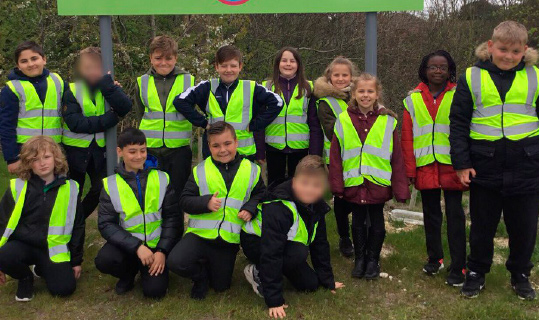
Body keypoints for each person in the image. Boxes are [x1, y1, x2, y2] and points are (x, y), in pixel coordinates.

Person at [450, 21, 539, 300]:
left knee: (524, 227)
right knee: (482, 226)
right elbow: (459, 123)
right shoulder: (471, 76)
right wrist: (461, 164)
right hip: (484, 165)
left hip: (527, 165)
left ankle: (520, 274)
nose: (508, 56)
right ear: (490, 47)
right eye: (502, 49)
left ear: (524, 50)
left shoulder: (536, 76)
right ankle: (476, 272)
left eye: (515, 51)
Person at [167, 121, 265, 300]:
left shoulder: (252, 170)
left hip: (228, 239)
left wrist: (250, 208)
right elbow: (184, 200)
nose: (223, 150)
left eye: (227, 144)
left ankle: (209, 265)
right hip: (199, 235)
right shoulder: (200, 170)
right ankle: (200, 276)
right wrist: (205, 203)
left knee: (221, 286)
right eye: (216, 145)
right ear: (209, 147)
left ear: (236, 142)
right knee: (175, 262)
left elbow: (261, 195)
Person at [242, 155, 344, 319]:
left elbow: (320, 245)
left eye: (316, 185)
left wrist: (327, 281)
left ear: (324, 187)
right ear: (294, 181)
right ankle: (257, 272)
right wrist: (274, 299)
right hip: (256, 243)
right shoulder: (280, 206)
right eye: (304, 183)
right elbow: (271, 252)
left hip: (285, 245)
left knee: (310, 285)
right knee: (298, 252)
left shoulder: (317, 206)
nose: (309, 190)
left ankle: (284, 269)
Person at [329, 74, 410, 279]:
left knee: (376, 222)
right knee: (357, 221)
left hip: (377, 182)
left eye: (370, 91)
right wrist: (337, 185)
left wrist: (400, 188)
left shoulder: (388, 120)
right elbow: (336, 155)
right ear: (354, 94)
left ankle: (373, 260)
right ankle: (360, 260)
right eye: (361, 91)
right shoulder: (343, 119)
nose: (365, 95)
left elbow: (397, 157)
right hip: (354, 181)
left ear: (377, 94)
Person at [401, 50, 467, 286]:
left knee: (455, 215)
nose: (438, 71)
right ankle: (434, 258)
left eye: (443, 67)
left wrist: (466, 163)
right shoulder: (412, 99)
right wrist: (409, 170)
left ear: (450, 70)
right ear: (424, 69)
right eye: (433, 67)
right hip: (425, 165)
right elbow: (407, 138)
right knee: (431, 215)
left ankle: (459, 265)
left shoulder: (460, 94)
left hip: (453, 165)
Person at [95, 128, 182, 298]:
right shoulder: (110, 184)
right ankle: (128, 274)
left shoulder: (162, 178)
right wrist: (136, 247)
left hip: (156, 247)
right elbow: (106, 224)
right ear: (119, 152)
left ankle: (151, 270)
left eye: (143, 150)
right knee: (104, 260)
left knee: (155, 292)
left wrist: (162, 251)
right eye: (132, 152)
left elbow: (173, 218)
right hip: (129, 248)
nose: (139, 156)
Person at [0, 136, 84, 301]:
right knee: (2, 255)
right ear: (28, 163)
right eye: (35, 159)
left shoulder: (71, 188)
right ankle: (25, 278)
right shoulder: (17, 186)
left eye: (46, 157)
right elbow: (1, 222)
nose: (42, 163)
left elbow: (78, 226)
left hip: (52, 249)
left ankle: (41, 269)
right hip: (22, 244)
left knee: (64, 289)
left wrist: (76, 261)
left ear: (56, 158)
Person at [173, 45, 283, 161]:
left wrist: (256, 125)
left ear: (240, 67)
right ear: (216, 67)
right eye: (224, 66)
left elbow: (278, 102)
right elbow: (180, 101)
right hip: (215, 154)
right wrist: (203, 123)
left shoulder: (250, 87)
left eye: (233, 66)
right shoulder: (207, 86)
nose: (228, 70)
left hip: (243, 153)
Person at [63, 47, 132, 219]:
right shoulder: (71, 89)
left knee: (101, 188)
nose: (92, 71)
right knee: (72, 193)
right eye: (87, 67)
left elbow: (125, 107)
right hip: (74, 151)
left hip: (99, 151)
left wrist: (109, 86)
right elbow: (75, 123)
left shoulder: (108, 87)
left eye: (96, 67)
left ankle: (78, 218)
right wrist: (109, 119)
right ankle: (73, 230)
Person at [134, 35, 195, 203]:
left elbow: (194, 112)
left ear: (175, 58)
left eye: (169, 58)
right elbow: (140, 113)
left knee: (176, 195)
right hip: (150, 150)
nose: (163, 63)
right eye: (158, 58)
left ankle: (175, 229)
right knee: (151, 195)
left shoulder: (189, 80)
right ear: (151, 58)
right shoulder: (142, 81)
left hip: (178, 150)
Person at [257, 47, 323, 185]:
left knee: (299, 186)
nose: (288, 64)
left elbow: (315, 124)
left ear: (298, 65)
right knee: (275, 187)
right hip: (274, 147)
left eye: (292, 61)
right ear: (277, 64)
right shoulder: (266, 87)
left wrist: (315, 153)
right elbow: (259, 121)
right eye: (284, 60)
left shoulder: (309, 88)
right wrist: (260, 150)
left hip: (300, 148)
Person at [0, 41, 66, 174]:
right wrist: (12, 158)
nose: (30, 64)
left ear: (44, 59)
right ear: (18, 65)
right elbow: (6, 125)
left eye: (34, 58)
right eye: (24, 61)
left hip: (53, 150)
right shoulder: (12, 89)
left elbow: (78, 95)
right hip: (25, 151)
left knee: (56, 189)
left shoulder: (57, 81)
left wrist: (108, 87)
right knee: (29, 190)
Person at [315, 56, 358, 258]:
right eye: (336, 75)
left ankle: (360, 235)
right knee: (341, 200)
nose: (341, 79)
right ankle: (344, 237)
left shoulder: (361, 94)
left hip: (362, 158)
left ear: (351, 77)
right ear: (329, 77)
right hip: (337, 160)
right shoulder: (325, 102)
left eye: (345, 75)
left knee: (360, 198)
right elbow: (332, 131)